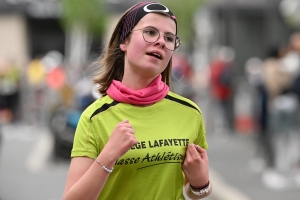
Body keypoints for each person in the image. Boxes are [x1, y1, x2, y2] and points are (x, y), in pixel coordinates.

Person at [62, 2, 211, 200]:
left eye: (169, 38)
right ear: (124, 41)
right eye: (150, 32)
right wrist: (108, 155)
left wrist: (201, 184)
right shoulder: (94, 118)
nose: (160, 42)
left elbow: (192, 191)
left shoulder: (190, 113)